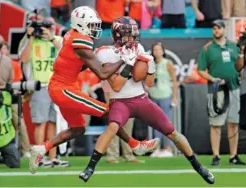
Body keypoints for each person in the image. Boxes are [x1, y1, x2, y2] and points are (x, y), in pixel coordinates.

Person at [79, 16, 214, 185]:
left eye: (134, 33)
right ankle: (90, 167)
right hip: (119, 101)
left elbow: (148, 84)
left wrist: (151, 70)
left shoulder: (139, 48)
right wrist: (128, 63)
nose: (133, 38)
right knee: (112, 127)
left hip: (141, 99)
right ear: (118, 35)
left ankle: (199, 167)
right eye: (129, 34)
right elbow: (116, 86)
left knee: (172, 133)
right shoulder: (105, 53)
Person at [29, 6, 157, 174]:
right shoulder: (81, 40)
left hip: (64, 86)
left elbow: (78, 65)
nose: (95, 28)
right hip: (63, 89)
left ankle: (41, 149)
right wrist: (123, 61)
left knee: (78, 128)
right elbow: (103, 74)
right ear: (81, 24)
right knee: (107, 112)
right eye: (91, 25)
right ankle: (135, 145)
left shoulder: (73, 35)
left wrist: (98, 60)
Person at [19, 17, 69, 167]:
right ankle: (39, 158)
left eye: (50, 26)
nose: (48, 29)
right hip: (41, 85)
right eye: (45, 26)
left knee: (54, 122)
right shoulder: (32, 41)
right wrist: (29, 37)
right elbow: (23, 57)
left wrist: (51, 37)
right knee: (41, 123)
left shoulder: (58, 39)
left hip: (57, 85)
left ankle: (53, 157)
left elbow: (66, 52)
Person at [197, 19, 245, 166]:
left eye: (218, 28)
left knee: (233, 123)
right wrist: (213, 78)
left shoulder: (233, 46)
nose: (216, 31)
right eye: (214, 28)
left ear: (224, 29)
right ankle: (216, 155)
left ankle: (233, 156)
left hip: (234, 87)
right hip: (216, 89)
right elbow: (200, 70)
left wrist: (242, 52)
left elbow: (239, 67)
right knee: (216, 124)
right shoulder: (207, 48)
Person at [2, 43, 31, 158]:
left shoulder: (14, 64)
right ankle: (0, 149)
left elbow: (17, 83)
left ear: (8, 51)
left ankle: (26, 150)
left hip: (13, 98)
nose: (2, 51)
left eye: (4, 49)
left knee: (19, 123)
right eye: (1, 49)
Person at [149, 42, 177, 158]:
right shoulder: (150, 64)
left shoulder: (168, 63)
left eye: (159, 50)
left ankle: (169, 148)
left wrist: (175, 97)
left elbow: (174, 81)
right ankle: (156, 148)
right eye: (155, 50)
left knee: (166, 123)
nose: (157, 52)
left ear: (163, 51)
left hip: (165, 95)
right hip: (153, 96)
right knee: (156, 124)